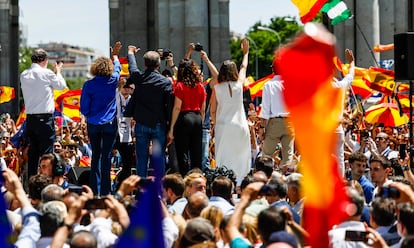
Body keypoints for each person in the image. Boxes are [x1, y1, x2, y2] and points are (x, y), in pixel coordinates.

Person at [124, 45, 173, 177]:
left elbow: (132, 67)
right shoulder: (165, 82)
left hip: (141, 124)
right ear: (158, 64)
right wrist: (170, 128)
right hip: (158, 124)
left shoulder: (138, 78)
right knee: (158, 160)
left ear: (145, 64)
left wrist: (130, 53)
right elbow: (169, 107)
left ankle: (141, 189)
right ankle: (159, 191)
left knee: (141, 160)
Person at [80, 41, 122, 195]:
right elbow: (118, 68)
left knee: (95, 156)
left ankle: (94, 190)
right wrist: (115, 56)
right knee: (106, 156)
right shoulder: (113, 80)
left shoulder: (88, 85)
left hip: (93, 123)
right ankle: (106, 191)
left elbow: (83, 107)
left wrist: (90, 114)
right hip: (110, 123)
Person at [209, 38, 251, 186]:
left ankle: (225, 185)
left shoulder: (217, 88)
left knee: (223, 157)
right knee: (241, 156)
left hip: (223, 125)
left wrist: (214, 122)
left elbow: (212, 110)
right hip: (240, 125)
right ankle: (240, 184)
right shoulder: (239, 85)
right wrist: (245, 53)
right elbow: (244, 67)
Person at [20, 48, 67, 179]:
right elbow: (61, 86)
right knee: (47, 155)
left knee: (33, 154)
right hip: (45, 119)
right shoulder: (47, 73)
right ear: (44, 61)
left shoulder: (24, 74)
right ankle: (46, 183)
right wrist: (58, 72)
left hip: (30, 119)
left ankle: (32, 184)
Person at [167, 56, 207, 176]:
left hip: (184, 118)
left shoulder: (180, 86)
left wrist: (172, 128)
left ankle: (185, 179)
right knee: (196, 153)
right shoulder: (200, 86)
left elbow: (177, 107)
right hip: (197, 118)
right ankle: (197, 177)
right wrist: (200, 120)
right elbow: (203, 109)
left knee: (182, 152)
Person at [259, 53, 295, 172]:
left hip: (275, 122)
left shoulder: (268, 85)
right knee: (288, 157)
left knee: (266, 156)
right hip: (290, 122)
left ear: (273, 69)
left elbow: (265, 110)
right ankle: (284, 180)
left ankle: (265, 178)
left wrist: (262, 127)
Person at [331, 49, 355, 176]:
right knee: (339, 161)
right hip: (336, 129)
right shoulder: (340, 86)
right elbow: (350, 76)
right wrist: (352, 63)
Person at [114, 77, 135, 186]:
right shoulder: (116, 96)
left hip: (127, 131)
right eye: (125, 87)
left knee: (127, 161)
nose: (127, 90)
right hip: (115, 129)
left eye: (129, 88)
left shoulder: (132, 99)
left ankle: (123, 184)